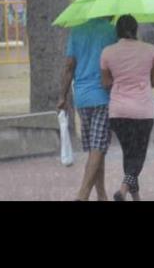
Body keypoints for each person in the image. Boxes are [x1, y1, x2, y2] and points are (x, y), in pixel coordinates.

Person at [100, 15, 154, 201]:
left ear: (117, 31)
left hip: (118, 112)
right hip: (143, 111)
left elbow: (105, 82)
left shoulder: (107, 52)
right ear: (136, 29)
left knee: (130, 153)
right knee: (138, 155)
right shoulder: (150, 50)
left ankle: (136, 197)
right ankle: (124, 188)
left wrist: (121, 79)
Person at [56, 16, 118, 201]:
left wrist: (62, 96)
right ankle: (82, 195)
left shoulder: (77, 30)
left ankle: (101, 195)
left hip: (81, 98)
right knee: (97, 149)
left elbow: (69, 66)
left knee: (95, 149)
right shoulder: (111, 31)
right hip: (102, 96)